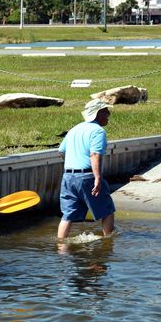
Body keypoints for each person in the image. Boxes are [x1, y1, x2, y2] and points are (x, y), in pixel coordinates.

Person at [57, 99, 116, 240]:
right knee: (107, 210)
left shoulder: (74, 129)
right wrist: (97, 178)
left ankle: (61, 248)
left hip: (68, 177)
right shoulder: (98, 131)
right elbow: (94, 154)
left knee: (67, 215)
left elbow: (61, 151)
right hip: (88, 176)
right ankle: (107, 244)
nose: (109, 113)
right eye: (106, 111)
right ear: (97, 114)